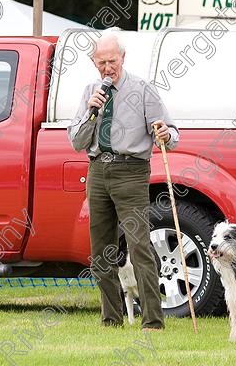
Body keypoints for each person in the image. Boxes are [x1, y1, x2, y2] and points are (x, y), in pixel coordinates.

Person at [67, 30, 179, 330]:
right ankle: (110, 319)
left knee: (139, 245)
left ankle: (152, 321)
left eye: (112, 61)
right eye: (101, 62)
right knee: (100, 249)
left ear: (123, 58)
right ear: (94, 63)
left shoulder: (143, 89)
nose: (107, 68)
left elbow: (170, 133)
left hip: (131, 171)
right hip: (97, 171)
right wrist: (91, 112)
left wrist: (165, 134)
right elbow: (77, 142)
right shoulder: (91, 91)